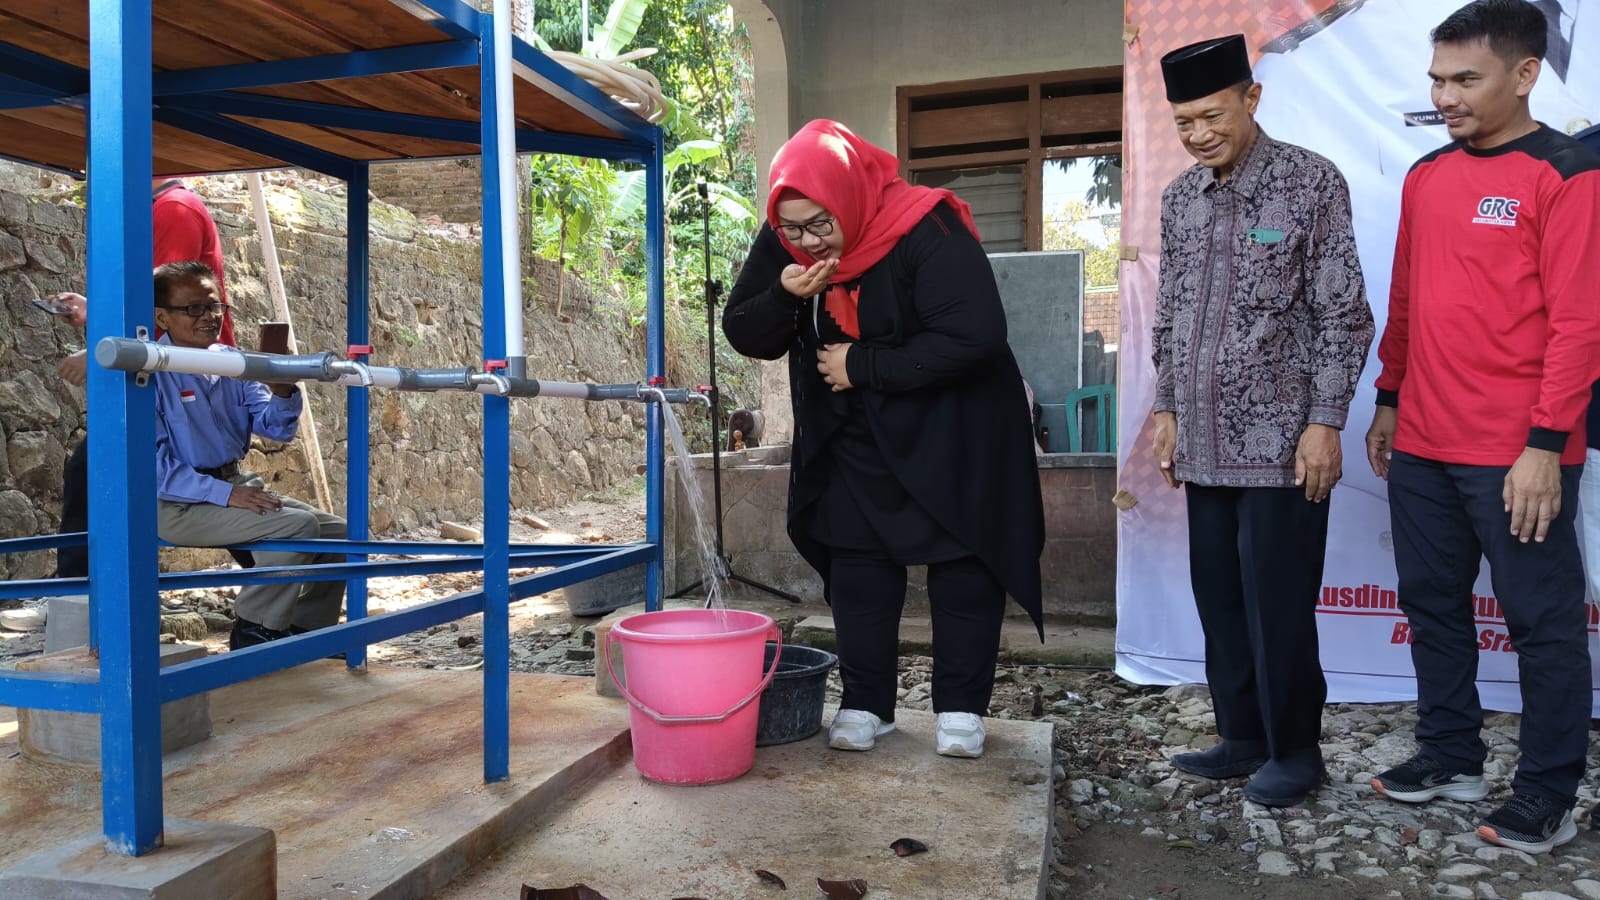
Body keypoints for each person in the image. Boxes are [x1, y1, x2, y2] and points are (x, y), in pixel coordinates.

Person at [722, 119, 1044, 759]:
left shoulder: (927, 227)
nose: (808, 241)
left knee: (962, 567)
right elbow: (744, 329)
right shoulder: (788, 241)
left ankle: (961, 709)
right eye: (792, 229)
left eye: (821, 225)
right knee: (858, 564)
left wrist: (862, 366)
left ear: (846, 197)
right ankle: (868, 702)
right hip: (855, 436)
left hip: (954, 431)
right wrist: (785, 293)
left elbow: (975, 335)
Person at [1364, 0, 1600, 855]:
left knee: (1543, 626)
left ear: (1525, 74)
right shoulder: (1427, 174)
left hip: (1518, 453)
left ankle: (1549, 794)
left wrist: (1544, 447)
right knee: (1431, 605)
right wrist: (1389, 398)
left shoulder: (1567, 174)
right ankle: (1452, 755)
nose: (1447, 95)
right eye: (1437, 79)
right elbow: (1407, 300)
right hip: (1423, 439)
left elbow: (1580, 326)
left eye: (1467, 79)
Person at [1150, 34, 1374, 807]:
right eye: (1183, 123)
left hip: (1284, 444)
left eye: (1210, 115)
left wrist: (1326, 421)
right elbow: (1170, 313)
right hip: (1202, 440)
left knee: (1277, 600)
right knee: (1217, 595)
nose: (1198, 134)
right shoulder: (1180, 198)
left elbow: (1344, 315)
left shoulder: (1309, 183)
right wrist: (1168, 407)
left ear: (1251, 98)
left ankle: (1297, 751)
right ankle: (1241, 736)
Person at [150, 261, 346, 650]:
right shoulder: (152, 369)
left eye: (214, 306)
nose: (208, 317)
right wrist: (226, 495)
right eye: (193, 309)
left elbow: (276, 428)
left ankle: (306, 631)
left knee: (341, 533)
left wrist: (283, 388)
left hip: (232, 483)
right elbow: (152, 470)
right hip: (174, 503)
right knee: (296, 528)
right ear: (162, 317)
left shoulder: (229, 361)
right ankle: (254, 628)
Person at [55, 177, 239, 581]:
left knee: (96, 463)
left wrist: (102, 352)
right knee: (194, 468)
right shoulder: (167, 208)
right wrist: (96, 314)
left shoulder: (174, 210)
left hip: (187, 370)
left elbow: (173, 307)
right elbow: (151, 299)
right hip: (174, 367)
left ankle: (76, 589)